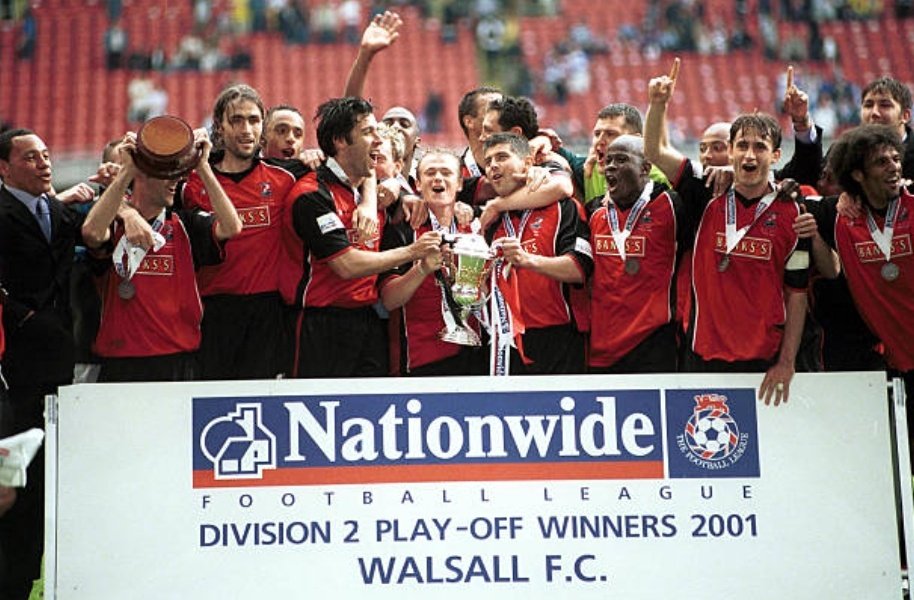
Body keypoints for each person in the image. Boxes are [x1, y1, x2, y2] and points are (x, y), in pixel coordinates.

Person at [284, 96, 441, 378]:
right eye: (368, 132)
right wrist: (413, 252)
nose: (379, 140)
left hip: (368, 321)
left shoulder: (377, 194)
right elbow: (346, 265)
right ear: (340, 141)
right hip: (320, 325)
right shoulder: (311, 195)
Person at [81, 127, 242, 382]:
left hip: (178, 362)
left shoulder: (185, 225)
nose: (174, 181)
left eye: (176, 174)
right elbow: (91, 233)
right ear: (142, 175)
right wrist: (128, 172)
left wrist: (203, 168)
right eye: (166, 174)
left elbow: (232, 227)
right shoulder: (112, 222)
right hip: (120, 363)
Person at [0, 128, 83, 599]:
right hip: (13, 363)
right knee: (17, 476)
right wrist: (23, 316)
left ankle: (35, 575)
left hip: (60, 360)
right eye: (30, 157)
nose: (44, 163)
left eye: (47, 155)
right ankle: (13, 578)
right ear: (4, 168)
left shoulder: (56, 210)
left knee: (50, 476)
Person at [678, 113, 810, 406]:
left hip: (764, 359)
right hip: (703, 353)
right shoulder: (706, 196)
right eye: (742, 146)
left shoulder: (794, 213)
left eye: (760, 147)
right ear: (731, 151)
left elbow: (797, 292)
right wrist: (659, 104)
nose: (750, 155)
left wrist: (787, 361)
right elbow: (657, 152)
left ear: (776, 155)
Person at [180, 84, 309, 380]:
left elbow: (353, 169)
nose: (246, 129)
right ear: (219, 127)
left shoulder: (286, 177)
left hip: (268, 313)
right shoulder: (191, 184)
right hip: (213, 313)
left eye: (253, 120)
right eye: (236, 120)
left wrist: (389, 189)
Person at [809, 124, 914, 444]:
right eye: (881, 162)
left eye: (896, 159)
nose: (894, 167)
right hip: (897, 361)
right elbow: (785, 195)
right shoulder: (840, 216)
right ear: (857, 174)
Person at [483, 133, 592, 375]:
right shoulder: (490, 220)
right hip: (506, 340)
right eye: (488, 161)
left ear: (527, 164)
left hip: (560, 339)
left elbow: (579, 269)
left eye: (502, 157)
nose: (493, 166)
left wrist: (527, 260)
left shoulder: (564, 207)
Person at [588, 135, 692, 373]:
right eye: (608, 160)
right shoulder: (594, 210)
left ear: (645, 168)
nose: (611, 166)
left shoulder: (673, 206)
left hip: (654, 344)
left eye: (621, 160)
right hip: (601, 348)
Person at [379, 150, 483, 376]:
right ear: (417, 184)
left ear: (459, 183)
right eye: (430, 173)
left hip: (475, 353)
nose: (438, 178)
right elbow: (389, 299)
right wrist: (422, 269)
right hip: (421, 357)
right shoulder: (402, 230)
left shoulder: (475, 227)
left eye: (446, 172)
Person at [859, 77, 914, 180]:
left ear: (905, 116)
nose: (874, 113)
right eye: (868, 105)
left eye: (885, 105)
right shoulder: (845, 153)